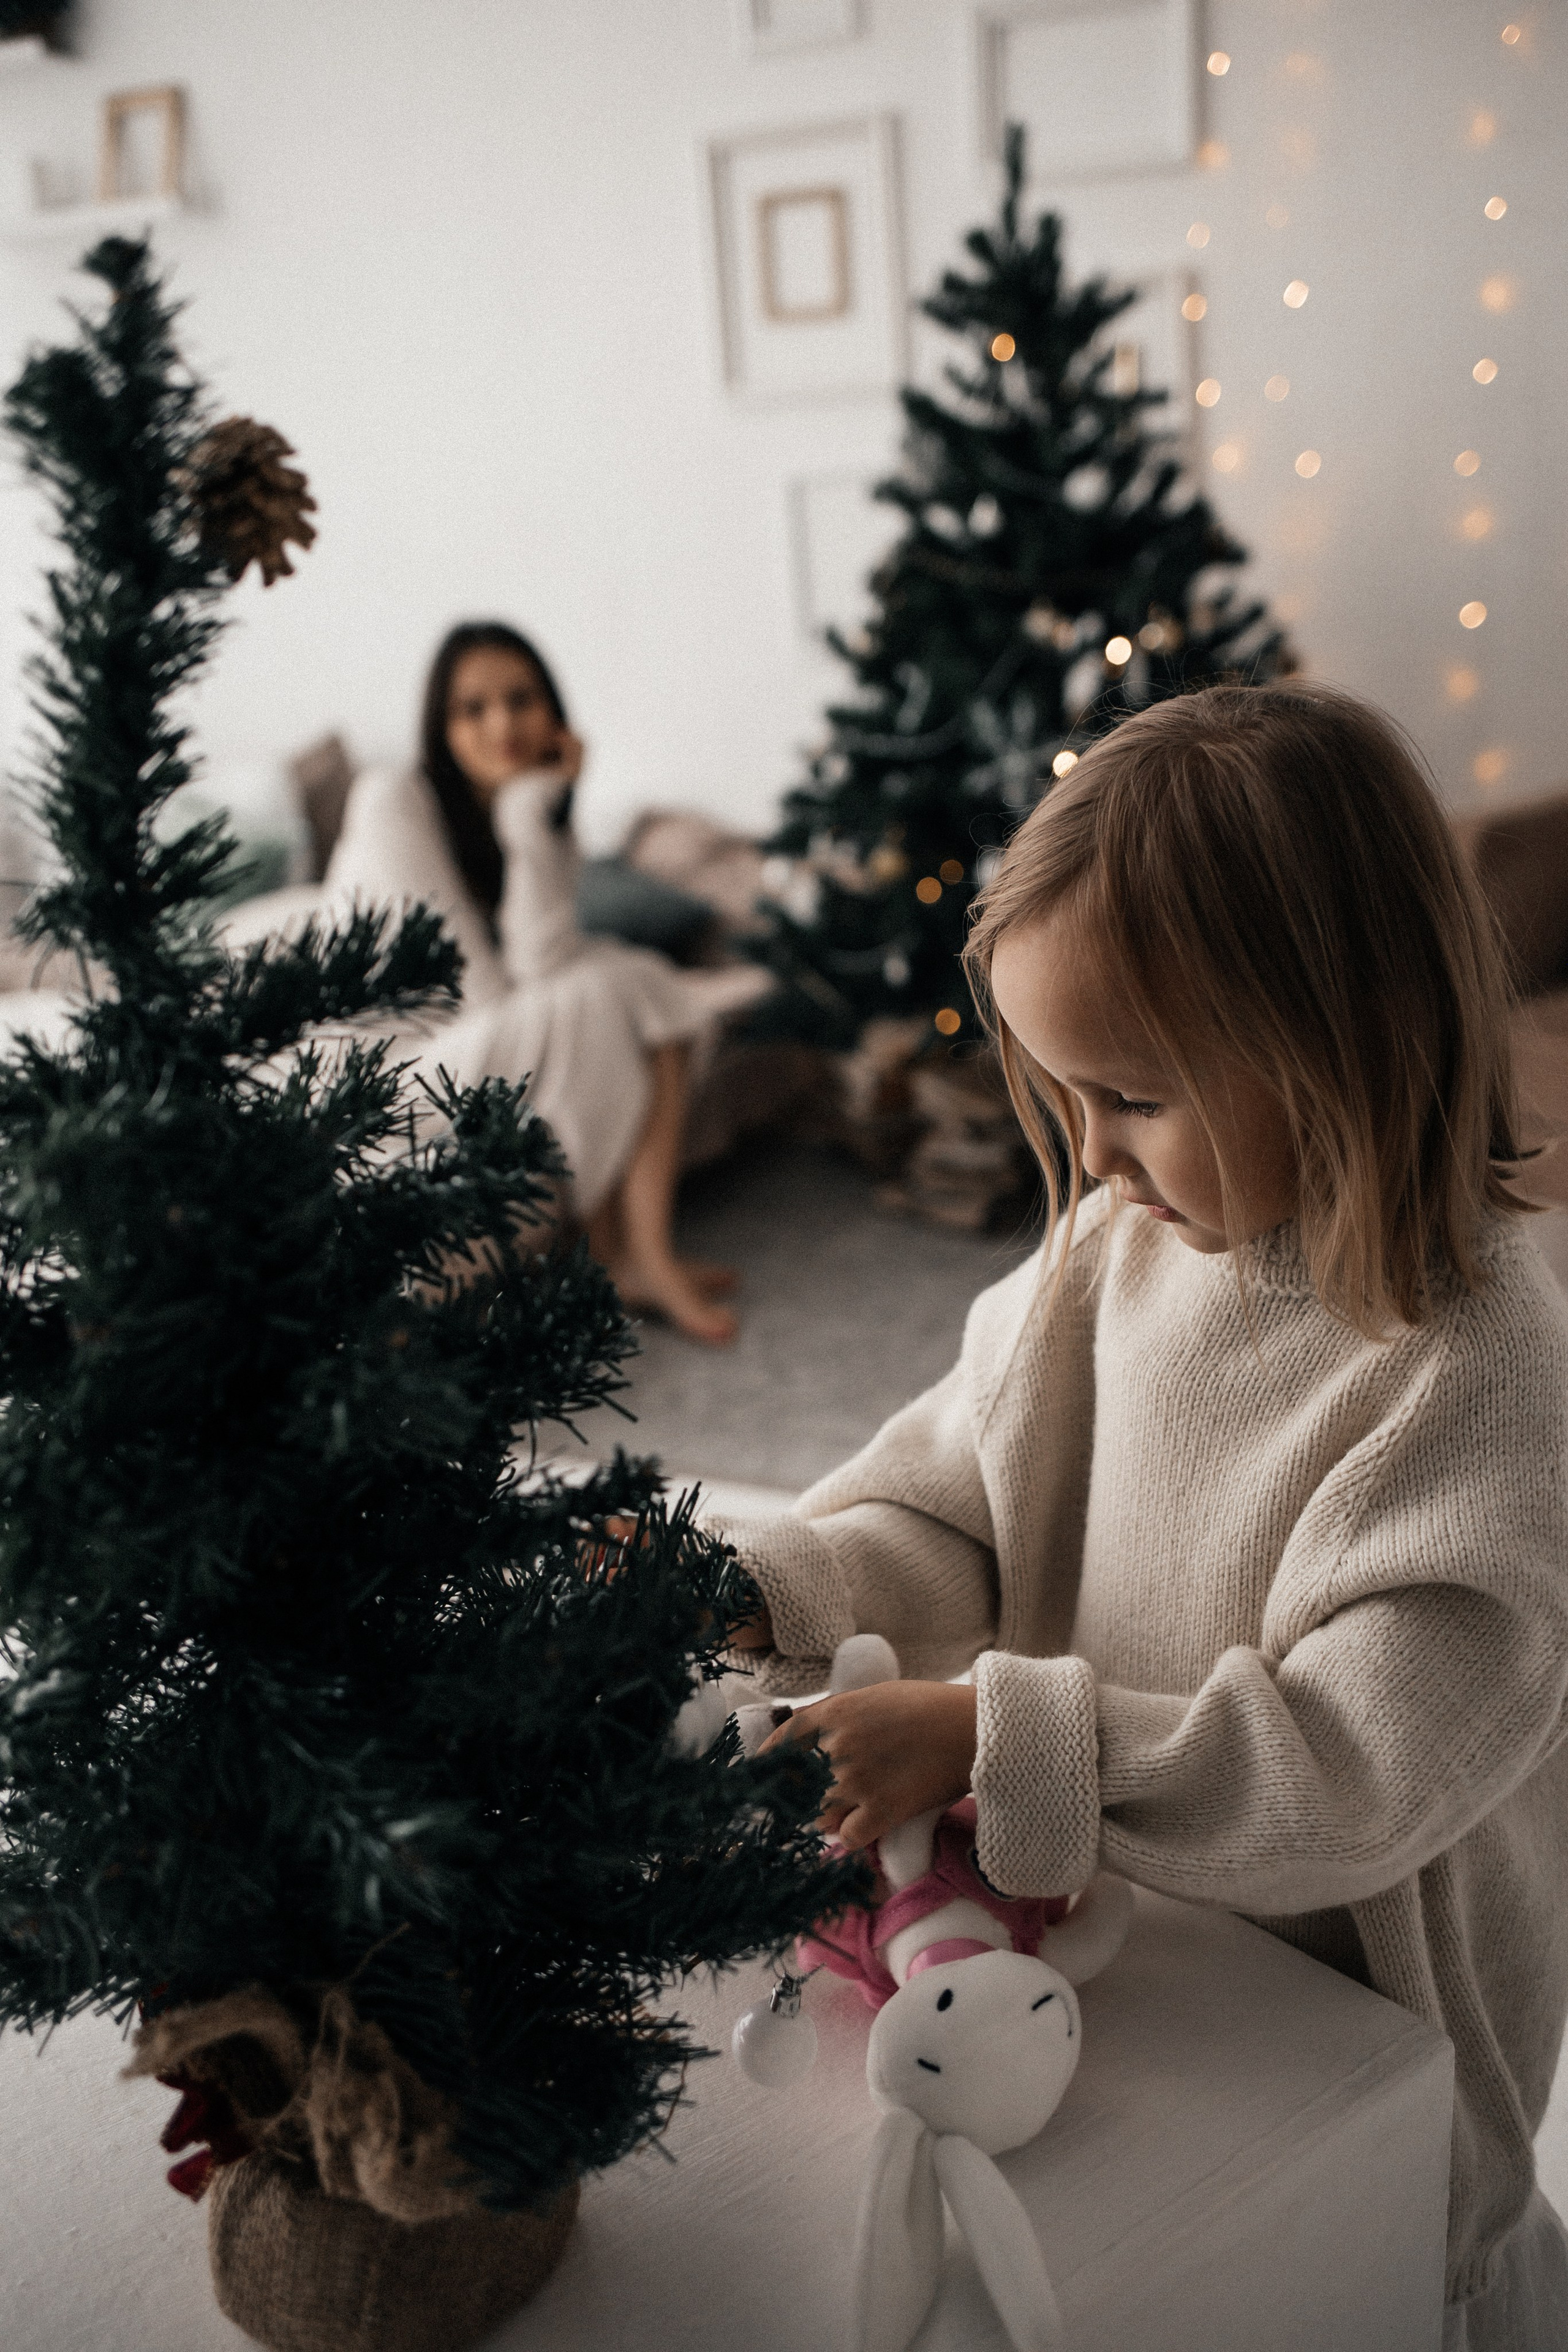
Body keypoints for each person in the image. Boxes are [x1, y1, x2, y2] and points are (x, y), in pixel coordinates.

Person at [719, 682, 1568, 2347]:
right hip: (1122, 1965)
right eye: (1068, 1093)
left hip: (1375, 2080)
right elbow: (956, 1502)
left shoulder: (1477, 1380)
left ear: (1338, 1038)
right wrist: (773, 1587)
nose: (1092, 1155)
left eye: (1134, 1093)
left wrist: (987, 1736)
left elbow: (1358, 1766)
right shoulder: (1119, 1254)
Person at [325, 622, 763, 1344]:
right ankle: (635, 1256)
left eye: (521, 699)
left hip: (469, 1049)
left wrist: (533, 815)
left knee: (632, 979)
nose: (502, 724)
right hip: (384, 1080)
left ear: (552, 711)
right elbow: (498, 991)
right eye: (472, 709)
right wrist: (533, 812)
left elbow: (542, 956)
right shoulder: (390, 798)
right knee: (620, 986)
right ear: (440, 726)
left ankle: (638, 1253)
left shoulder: (516, 808)